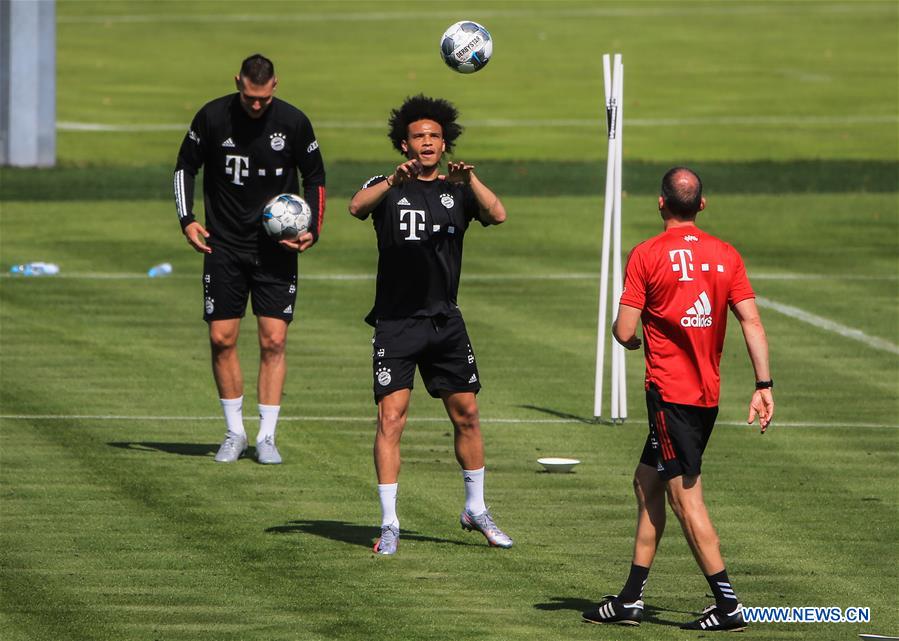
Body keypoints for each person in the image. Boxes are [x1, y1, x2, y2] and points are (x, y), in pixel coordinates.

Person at [582, 168, 774, 631]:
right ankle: (630, 599)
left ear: (661, 203)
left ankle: (728, 605)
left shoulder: (647, 254)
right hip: (705, 395)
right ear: (701, 205)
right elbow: (751, 322)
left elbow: (625, 331)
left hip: (670, 397)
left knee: (686, 499)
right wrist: (763, 386)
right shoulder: (726, 254)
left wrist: (631, 340)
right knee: (647, 481)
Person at [348, 95, 512, 555]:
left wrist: (471, 178)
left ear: (445, 145)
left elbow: (498, 214)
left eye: (434, 137)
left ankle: (476, 510)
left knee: (468, 416)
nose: (427, 143)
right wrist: (390, 181)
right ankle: (389, 523)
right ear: (404, 144)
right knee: (391, 420)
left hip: (445, 324)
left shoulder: (459, 191)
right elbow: (356, 207)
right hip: (397, 324)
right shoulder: (388, 186)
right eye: (419, 137)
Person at [173, 54, 326, 465]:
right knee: (221, 338)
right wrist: (187, 219)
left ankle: (267, 437)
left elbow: (315, 177)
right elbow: (184, 167)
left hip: (276, 250)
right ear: (237, 82)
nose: (255, 105)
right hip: (223, 245)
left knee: (273, 340)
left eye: (262, 97)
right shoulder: (212, 117)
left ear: (275, 85)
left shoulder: (294, 123)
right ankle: (234, 432)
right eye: (248, 96)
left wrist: (314, 227)